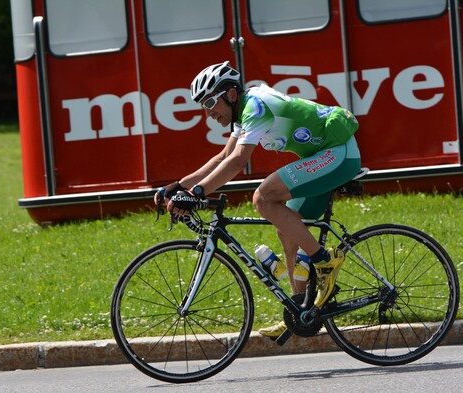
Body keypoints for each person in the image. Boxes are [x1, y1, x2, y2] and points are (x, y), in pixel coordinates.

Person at [155, 61, 361, 337]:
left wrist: (197, 194)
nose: (208, 112)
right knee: (287, 231)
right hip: (320, 157)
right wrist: (178, 186)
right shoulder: (244, 113)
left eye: (210, 102)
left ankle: (324, 262)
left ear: (230, 94)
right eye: (203, 106)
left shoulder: (256, 105)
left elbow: (238, 161)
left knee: (263, 198)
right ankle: (299, 310)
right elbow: (223, 157)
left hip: (338, 153)